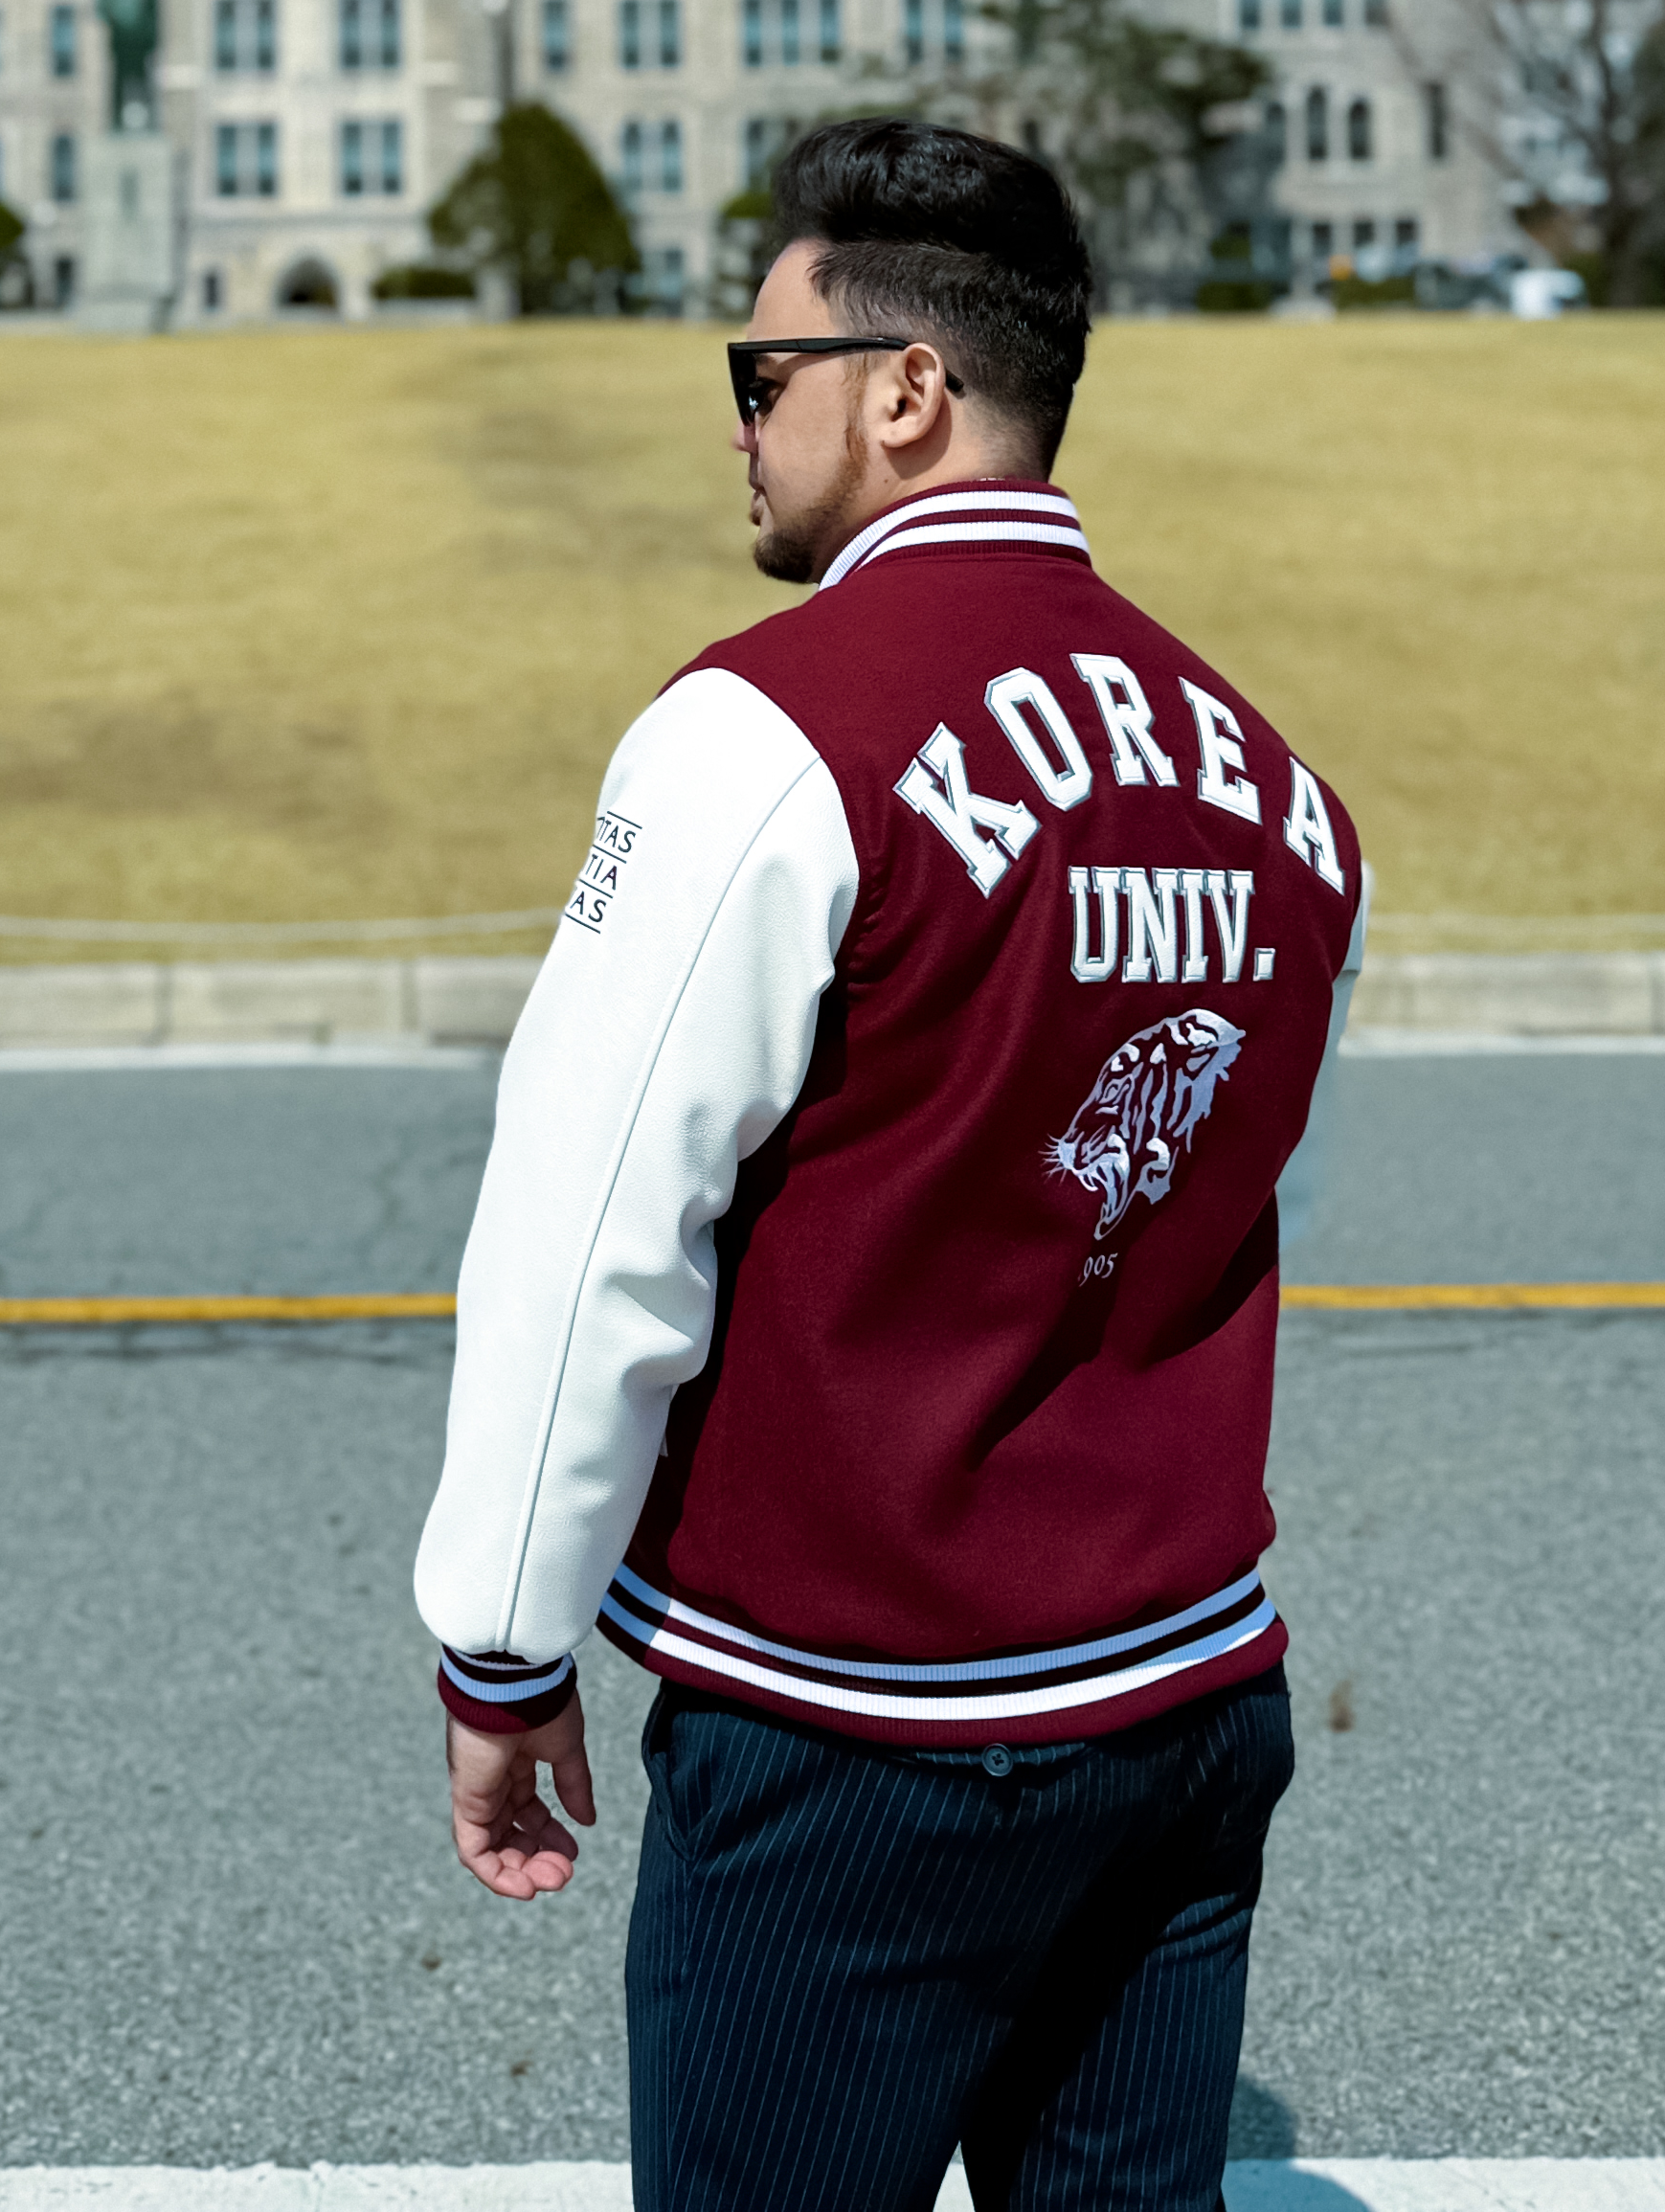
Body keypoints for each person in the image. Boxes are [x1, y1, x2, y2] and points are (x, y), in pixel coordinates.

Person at [415, 118, 1365, 2212]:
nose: (742, 428)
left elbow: (588, 1238)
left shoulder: (765, 732)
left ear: (907, 391)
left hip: (864, 1721)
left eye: (764, 378)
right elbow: (1203, 1196)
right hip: (1190, 1688)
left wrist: (504, 1644)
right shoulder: (1284, 786)